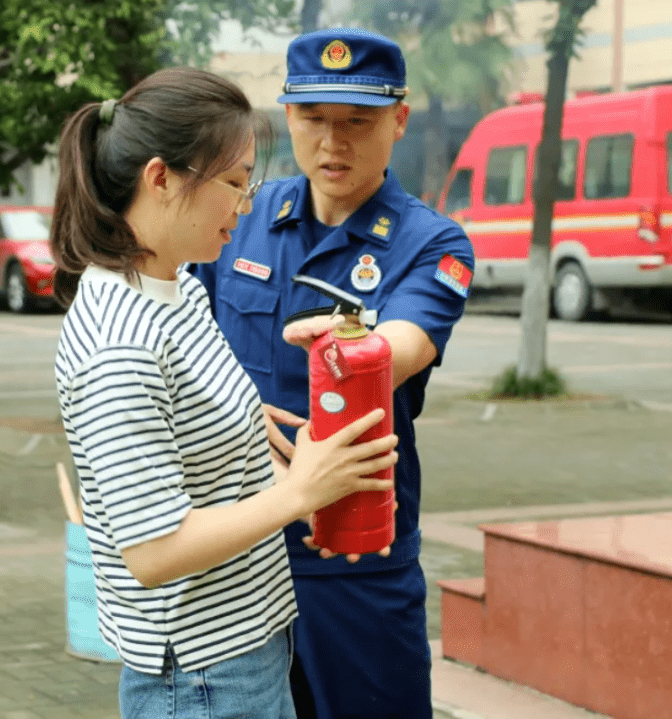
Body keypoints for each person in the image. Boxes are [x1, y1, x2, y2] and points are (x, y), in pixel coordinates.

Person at [49, 66, 400, 719]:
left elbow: (223, 447)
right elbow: (154, 552)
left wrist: (314, 485)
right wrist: (300, 492)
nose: (246, 206)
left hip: (245, 650)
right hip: (201, 680)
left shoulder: (176, 287)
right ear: (161, 178)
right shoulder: (119, 345)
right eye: (235, 184)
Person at [188, 29, 475, 719]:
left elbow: (406, 342)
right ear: (288, 116)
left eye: (358, 122)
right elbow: (181, 326)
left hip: (352, 558)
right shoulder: (242, 216)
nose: (332, 142)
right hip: (238, 547)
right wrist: (224, 406)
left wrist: (354, 346)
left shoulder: (430, 242)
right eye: (313, 118)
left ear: (399, 120)